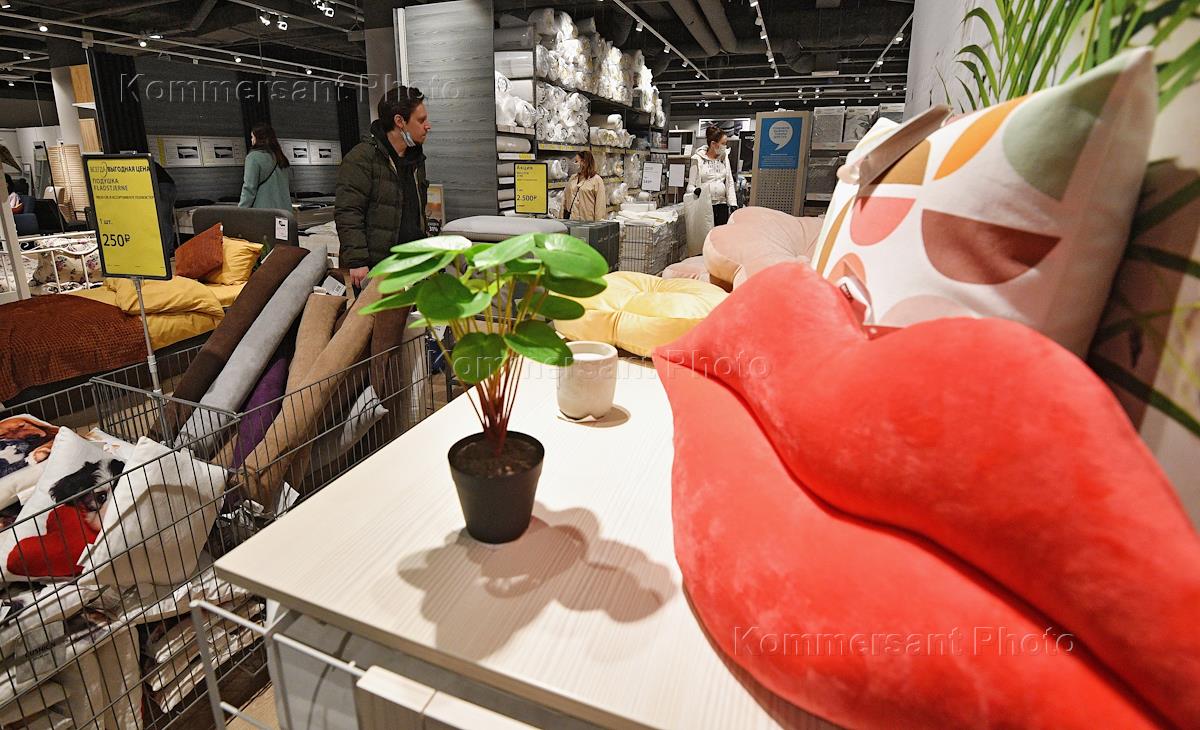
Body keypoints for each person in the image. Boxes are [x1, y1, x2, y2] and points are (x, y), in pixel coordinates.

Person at [336, 86, 431, 289]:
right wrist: (357, 261)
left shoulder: (415, 160)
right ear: (399, 121)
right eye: (421, 120)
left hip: (411, 265)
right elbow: (348, 212)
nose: (427, 126)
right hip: (376, 268)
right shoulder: (362, 158)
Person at [689, 125, 738, 226]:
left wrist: (733, 203)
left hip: (722, 205)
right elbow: (690, 185)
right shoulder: (697, 159)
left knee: (721, 233)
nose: (725, 147)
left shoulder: (724, 158)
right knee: (706, 232)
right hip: (704, 205)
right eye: (723, 144)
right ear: (713, 144)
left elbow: (729, 182)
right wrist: (695, 190)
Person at [239, 123, 291, 211]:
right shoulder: (280, 157)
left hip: (264, 211)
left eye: (252, 137)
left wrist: (241, 210)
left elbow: (249, 188)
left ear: (258, 138)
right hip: (284, 210)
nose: (251, 140)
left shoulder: (253, 157)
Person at [563, 150, 606, 222]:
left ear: (584, 162)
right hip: (572, 220)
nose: (574, 164)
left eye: (576, 161)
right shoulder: (573, 178)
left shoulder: (596, 180)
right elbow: (564, 199)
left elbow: (600, 206)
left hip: (587, 222)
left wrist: (598, 224)